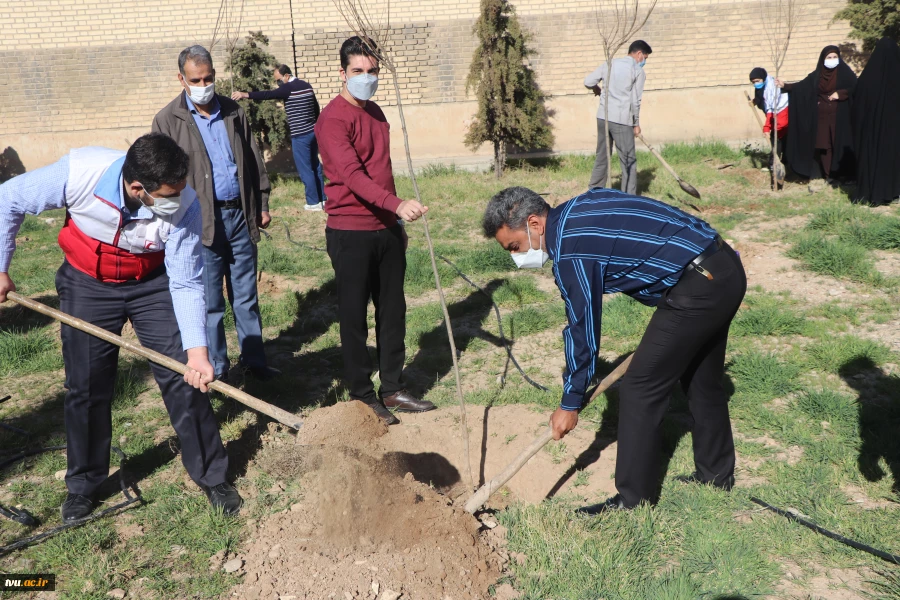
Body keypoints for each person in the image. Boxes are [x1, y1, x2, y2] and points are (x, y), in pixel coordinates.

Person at [0, 134, 242, 521]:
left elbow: (185, 281)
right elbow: (9, 197)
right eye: (168, 194)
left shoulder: (186, 207)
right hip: (86, 283)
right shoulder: (80, 172)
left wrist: (198, 353)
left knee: (184, 376)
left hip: (153, 285)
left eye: (180, 191)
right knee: (87, 385)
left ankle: (213, 476)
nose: (177, 200)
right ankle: (83, 485)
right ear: (136, 188)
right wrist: (1, 266)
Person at [482, 187, 747, 510]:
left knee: (640, 387)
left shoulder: (570, 250)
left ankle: (633, 500)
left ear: (535, 224)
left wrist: (570, 403)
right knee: (701, 380)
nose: (516, 257)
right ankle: (716, 476)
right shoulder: (578, 209)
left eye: (515, 246)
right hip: (723, 265)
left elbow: (583, 330)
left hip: (698, 285)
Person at [314, 36, 434, 425]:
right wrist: (396, 205)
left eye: (372, 71)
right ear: (342, 73)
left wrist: (395, 221)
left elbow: (381, 170)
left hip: (386, 229)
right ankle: (363, 396)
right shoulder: (332, 118)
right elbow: (351, 174)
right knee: (353, 317)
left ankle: (393, 388)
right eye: (358, 71)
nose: (366, 78)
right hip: (350, 231)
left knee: (393, 311)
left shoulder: (376, 112)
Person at [153, 45, 280, 383]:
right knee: (208, 303)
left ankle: (255, 364)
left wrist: (262, 204)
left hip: (239, 218)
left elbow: (252, 159)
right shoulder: (167, 121)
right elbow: (159, 176)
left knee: (246, 298)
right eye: (196, 79)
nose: (204, 84)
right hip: (199, 224)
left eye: (209, 77)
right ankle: (219, 372)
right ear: (181, 79)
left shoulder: (233, 112)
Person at [232, 64, 327, 212]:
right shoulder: (307, 86)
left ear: (287, 76)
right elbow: (315, 107)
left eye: (279, 80)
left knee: (305, 169)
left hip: (300, 135)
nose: (278, 84)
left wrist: (246, 94)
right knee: (315, 166)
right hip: (312, 132)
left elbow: (268, 95)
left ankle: (313, 202)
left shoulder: (288, 88)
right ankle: (323, 199)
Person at [777, 46, 857, 191]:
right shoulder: (817, 75)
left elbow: (856, 88)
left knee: (839, 143)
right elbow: (802, 87)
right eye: (829, 57)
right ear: (823, 59)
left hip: (841, 116)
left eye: (834, 57)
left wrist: (841, 93)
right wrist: (786, 86)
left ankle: (845, 175)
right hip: (821, 117)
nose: (832, 60)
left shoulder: (845, 73)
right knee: (824, 145)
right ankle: (829, 175)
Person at [583, 40, 652, 194]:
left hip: (603, 117)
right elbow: (635, 101)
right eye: (645, 58)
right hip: (622, 120)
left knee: (602, 156)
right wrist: (636, 123)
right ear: (639, 54)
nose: (644, 62)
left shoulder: (610, 63)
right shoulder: (637, 71)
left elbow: (588, 81)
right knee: (628, 160)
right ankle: (628, 198)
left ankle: (594, 192)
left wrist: (596, 88)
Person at [851, 37, 900, 205]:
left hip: (871, 132)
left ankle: (872, 192)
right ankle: (893, 190)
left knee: (873, 158)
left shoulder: (867, 78)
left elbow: (857, 104)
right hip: (894, 132)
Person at [748, 67, 789, 169]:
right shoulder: (760, 88)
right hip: (771, 114)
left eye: (757, 81)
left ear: (763, 78)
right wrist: (754, 101)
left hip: (778, 114)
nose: (756, 84)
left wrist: (767, 126)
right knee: (776, 138)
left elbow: (772, 105)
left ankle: (775, 163)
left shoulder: (772, 87)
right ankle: (777, 161)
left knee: (776, 138)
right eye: (753, 82)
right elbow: (760, 99)